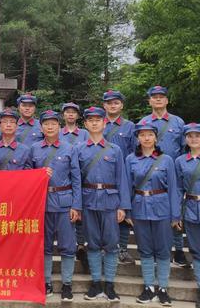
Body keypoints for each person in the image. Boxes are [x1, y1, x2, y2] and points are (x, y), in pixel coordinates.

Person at [77, 107, 130, 302]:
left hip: (110, 201)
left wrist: (123, 206)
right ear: (85, 124)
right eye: (90, 120)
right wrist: (77, 205)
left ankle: (110, 284)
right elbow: (76, 180)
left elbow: (122, 179)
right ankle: (96, 283)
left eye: (97, 119)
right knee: (92, 243)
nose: (94, 123)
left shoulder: (115, 150)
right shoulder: (79, 149)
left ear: (104, 122)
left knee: (111, 244)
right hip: (88, 200)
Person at [125, 122, 179, 306]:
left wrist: (176, 215)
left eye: (149, 134)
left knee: (163, 249)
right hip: (139, 208)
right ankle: (148, 287)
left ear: (156, 137)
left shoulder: (167, 160)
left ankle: (163, 288)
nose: (146, 138)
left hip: (162, 208)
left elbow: (173, 188)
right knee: (145, 249)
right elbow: (126, 187)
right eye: (142, 135)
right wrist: (127, 211)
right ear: (138, 138)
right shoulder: (130, 159)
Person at [31, 110, 81, 302]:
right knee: (44, 246)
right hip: (41, 203)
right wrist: (39, 174)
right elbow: (27, 174)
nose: (50, 127)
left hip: (64, 202)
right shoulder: (34, 148)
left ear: (59, 126)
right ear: (41, 127)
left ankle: (67, 283)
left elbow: (76, 178)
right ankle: (47, 282)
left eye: (53, 123)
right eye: (46, 124)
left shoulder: (70, 148)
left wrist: (76, 205)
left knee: (68, 246)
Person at [140, 85, 188, 268]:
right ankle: (154, 250)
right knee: (152, 214)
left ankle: (178, 250)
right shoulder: (144, 122)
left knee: (175, 211)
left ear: (167, 100)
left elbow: (185, 150)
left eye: (162, 97)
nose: (158, 99)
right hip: (150, 176)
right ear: (149, 101)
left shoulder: (178, 122)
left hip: (173, 174)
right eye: (154, 97)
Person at [102, 90, 136, 265]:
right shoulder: (98, 123)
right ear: (104, 106)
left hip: (124, 175)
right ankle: (103, 247)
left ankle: (122, 248)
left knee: (124, 210)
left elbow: (134, 152)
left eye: (116, 102)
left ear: (121, 105)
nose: (112, 105)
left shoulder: (130, 126)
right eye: (109, 103)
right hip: (102, 175)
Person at [59, 102, 89, 273]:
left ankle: (81, 245)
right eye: (67, 112)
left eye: (73, 112)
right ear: (63, 115)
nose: (70, 115)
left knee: (81, 214)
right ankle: (71, 244)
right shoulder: (58, 133)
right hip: (64, 181)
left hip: (82, 178)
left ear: (78, 116)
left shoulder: (84, 134)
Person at [175, 123, 200, 308]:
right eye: (190, 136)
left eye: (197, 136)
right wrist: (177, 214)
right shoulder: (180, 161)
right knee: (196, 250)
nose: (193, 139)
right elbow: (177, 189)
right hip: (191, 207)